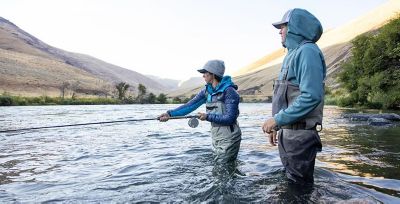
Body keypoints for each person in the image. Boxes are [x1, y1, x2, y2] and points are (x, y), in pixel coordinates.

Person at [262, 8, 326, 185]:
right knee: (290, 185)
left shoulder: (307, 52)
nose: (280, 32)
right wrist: (278, 126)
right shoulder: (292, 55)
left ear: (295, 27)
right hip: (289, 133)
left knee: (298, 189)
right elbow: (287, 97)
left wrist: (277, 120)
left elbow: (311, 96)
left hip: (300, 136)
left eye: (283, 27)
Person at [159, 59, 242, 165]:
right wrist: (169, 114)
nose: (203, 76)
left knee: (222, 169)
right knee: (220, 170)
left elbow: (230, 118)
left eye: (205, 73)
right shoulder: (207, 91)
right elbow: (190, 106)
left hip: (230, 138)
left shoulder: (229, 92)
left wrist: (207, 117)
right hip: (216, 137)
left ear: (213, 74)